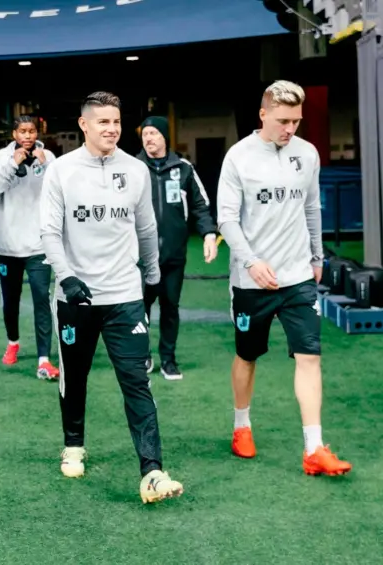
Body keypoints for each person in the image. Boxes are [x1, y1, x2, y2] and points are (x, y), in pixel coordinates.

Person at [40, 91, 184, 503]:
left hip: (124, 295)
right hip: (76, 297)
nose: (112, 128)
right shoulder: (62, 171)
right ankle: (73, 444)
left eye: (117, 121)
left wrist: (152, 274)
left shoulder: (135, 170)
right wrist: (66, 278)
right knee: (76, 375)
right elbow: (49, 231)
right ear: (84, 125)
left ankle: (153, 471)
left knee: (137, 381)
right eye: (102, 121)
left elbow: (145, 228)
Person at [216, 79, 352, 476]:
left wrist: (316, 254)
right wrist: (251, 261)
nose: (290, 128)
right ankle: (242, 426)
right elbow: (227, 217)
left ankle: (314, 448)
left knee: (309, 356)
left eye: (296, 120)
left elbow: (312, 207)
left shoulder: (307, 154)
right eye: (283, 120)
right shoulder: (238, 157)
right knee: (247, 356)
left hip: (297, 277)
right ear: (263, 114)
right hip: (251, 280)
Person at [136, 116, 218, 380]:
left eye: (153, 133)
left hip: (173, 255)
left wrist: (208, 234)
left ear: (164, 137)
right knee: (140, 309)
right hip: (140, 257)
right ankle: (143, 356)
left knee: (170, 306)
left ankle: (168, 361)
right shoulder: (132, 167)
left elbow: (200, 205)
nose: (148, 138)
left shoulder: (183, 168)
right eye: (145, 134)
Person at [0, 115, 60, 380]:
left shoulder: (47, 156)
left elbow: (60, 191)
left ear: (37, 133)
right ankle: (13, 342)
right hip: (8, 245)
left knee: (42, 301)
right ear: (14, 134)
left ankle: (44, 359)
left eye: (32, 131)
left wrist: (45, 166)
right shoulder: (0, 158)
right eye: (22, 131)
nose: (27, 135)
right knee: (10, 302)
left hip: (39, 244)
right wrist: (12, 165)